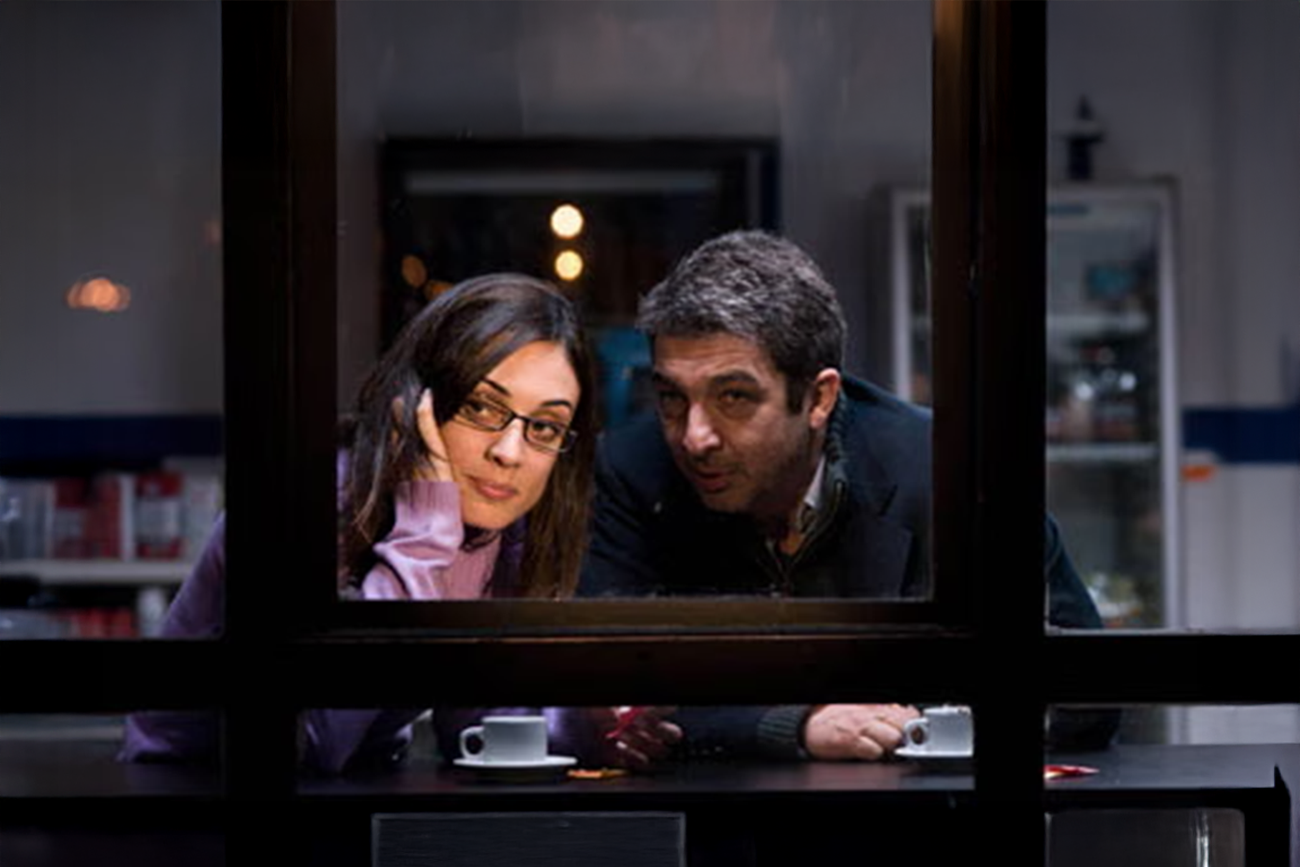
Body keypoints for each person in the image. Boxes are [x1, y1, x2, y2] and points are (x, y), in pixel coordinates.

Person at [578, 229, 1119, 762]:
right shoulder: (631, 471)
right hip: (705, 812)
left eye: (734, 397)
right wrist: (796, 722)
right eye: (672, 398)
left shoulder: (949, 469)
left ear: (819, 398)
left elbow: (1084, 692)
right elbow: (612, 692)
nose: (695, 437)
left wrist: (913, 717)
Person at [120, 272, 680, 774]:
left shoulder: (502, 530)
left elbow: (472, 722)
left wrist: (582, 729)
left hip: (367, 788)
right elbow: (312, 745)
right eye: (482, 408)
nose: (510, 452)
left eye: (546, 427)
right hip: (190, 795)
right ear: (414, 404)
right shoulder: (302, 505)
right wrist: (424, 534)